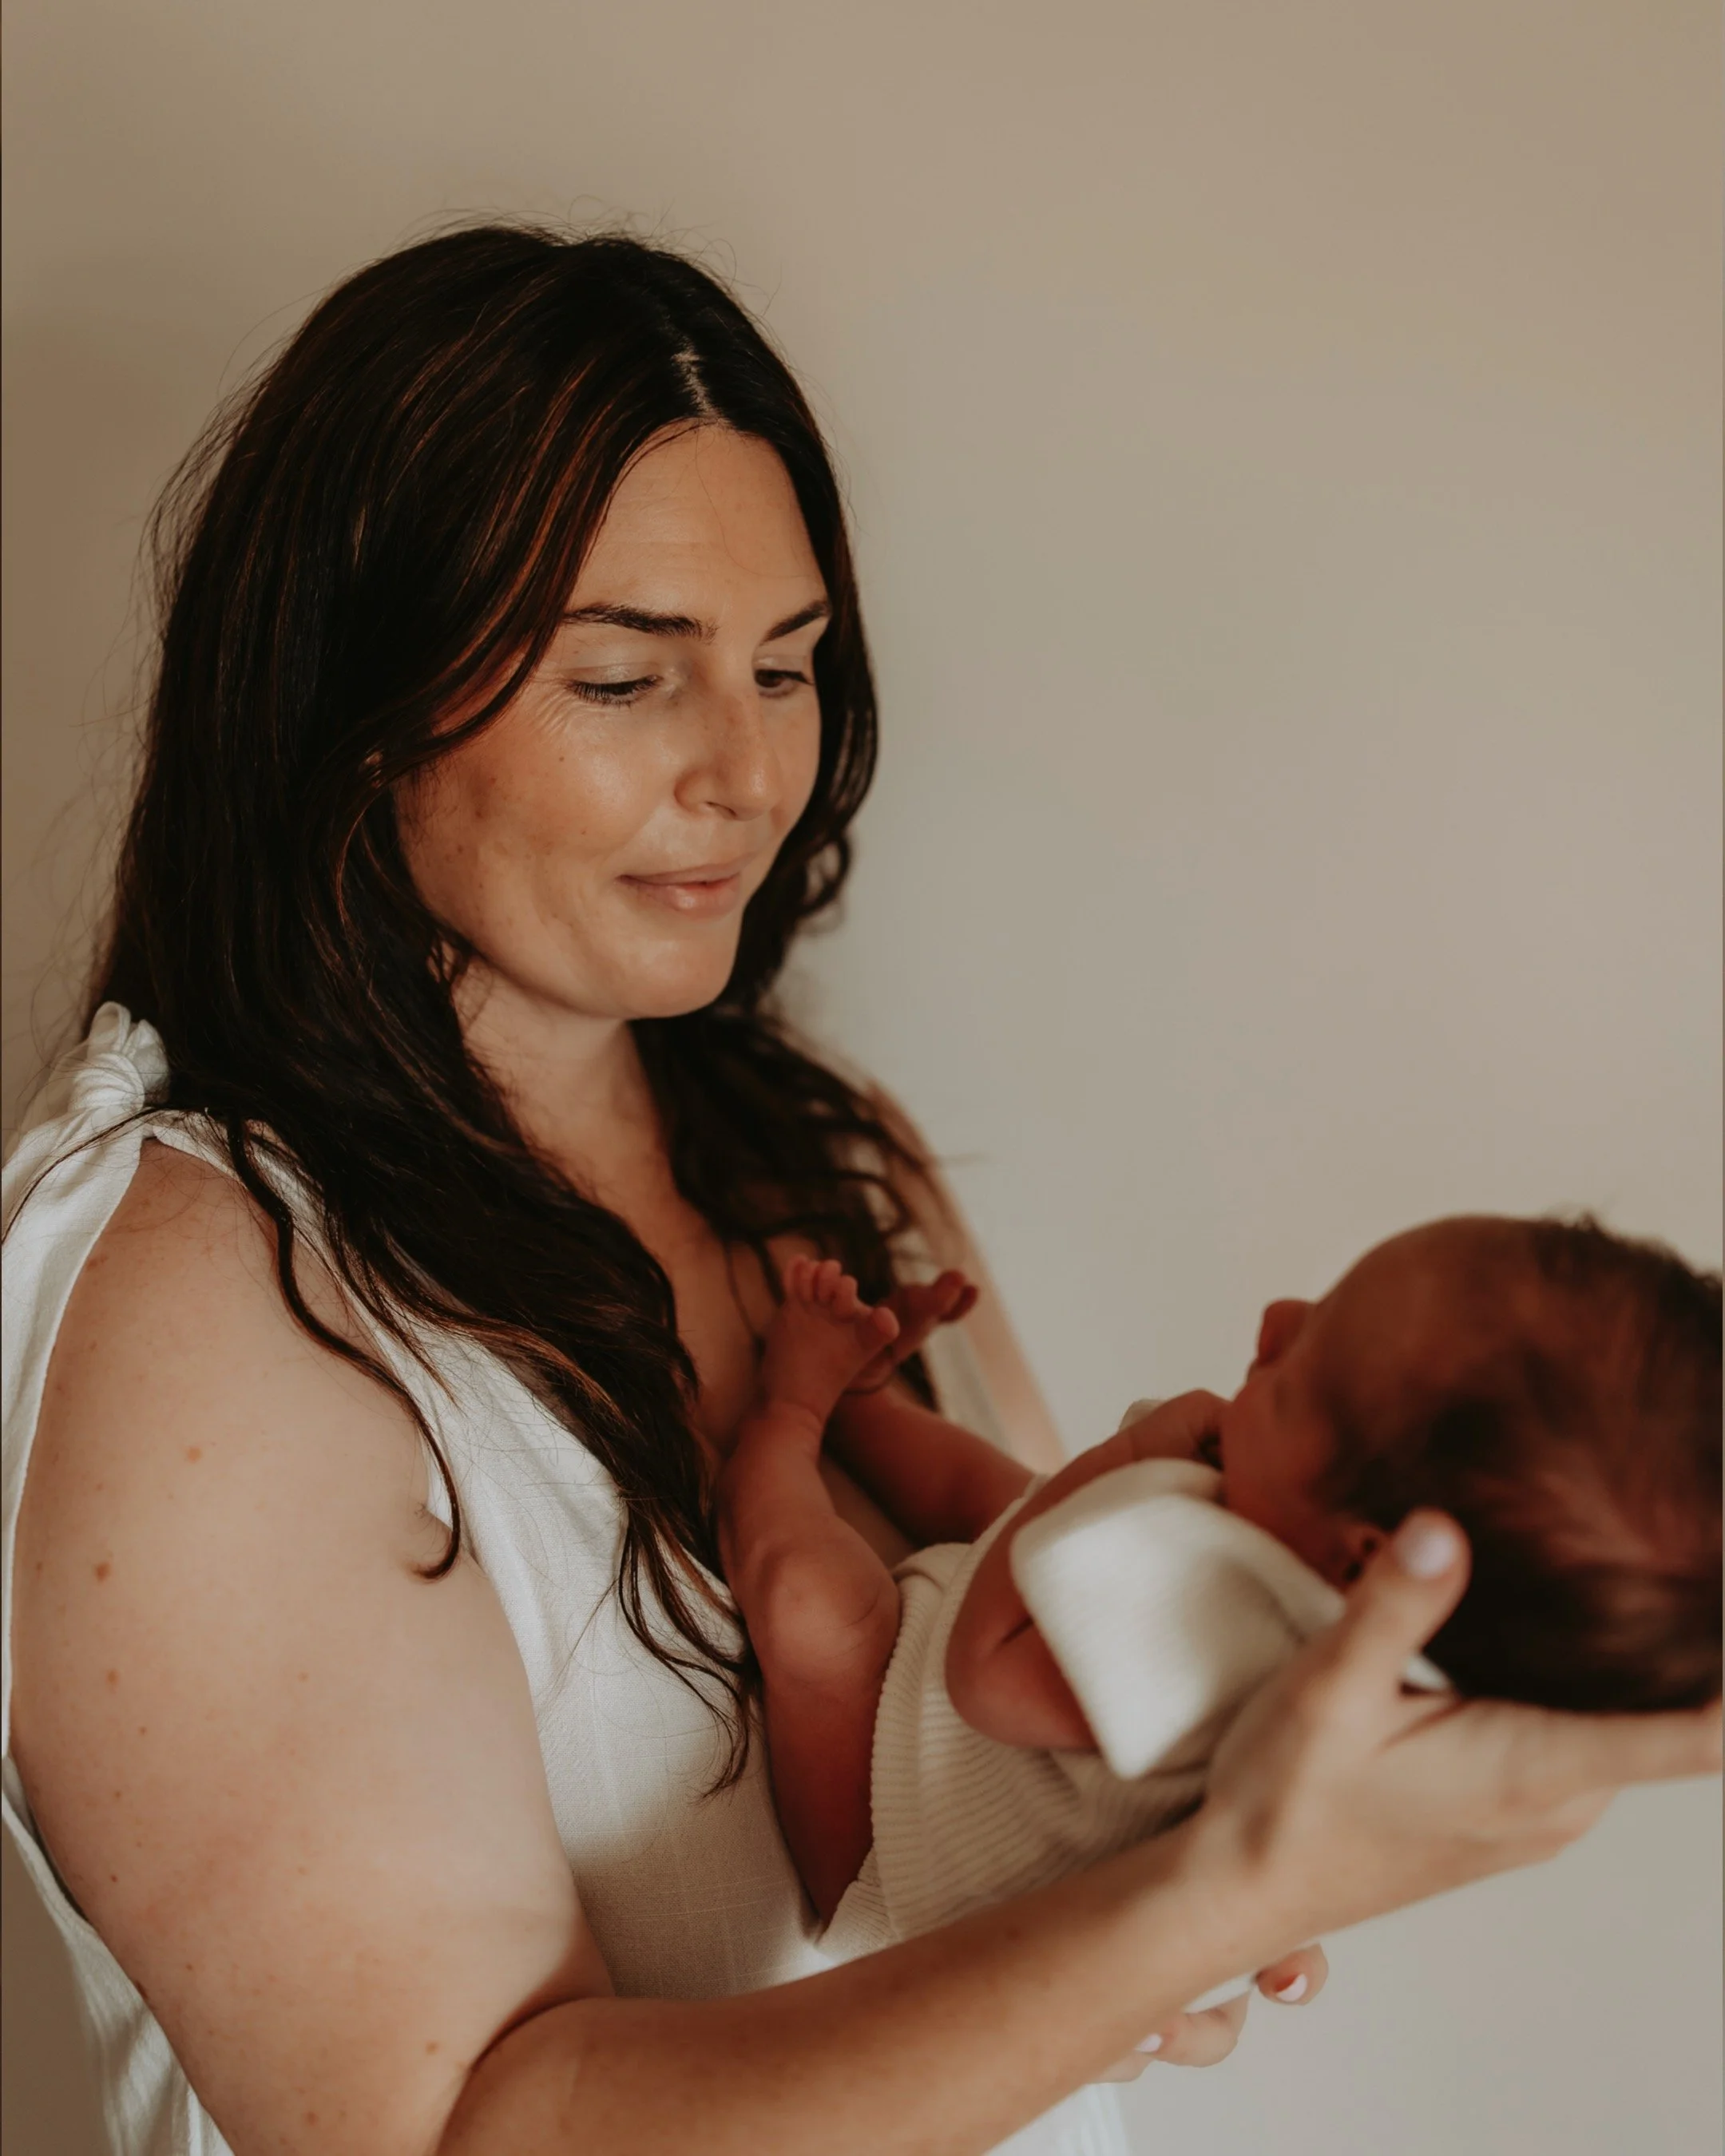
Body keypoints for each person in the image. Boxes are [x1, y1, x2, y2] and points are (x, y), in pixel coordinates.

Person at [2, 226, 1716, 2156]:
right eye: (627, 678)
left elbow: (1039, 1725)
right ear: (360, 698)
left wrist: (1137, 1912)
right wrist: (1216, 1890)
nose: (751, 774)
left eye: (788, 666)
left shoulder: (829, 1155)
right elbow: (458, 2132)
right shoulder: (202, 1292)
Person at [715, 1219, 1723, 1941]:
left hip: (889, 1864)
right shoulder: (1300, 1576)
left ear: (1362, 1560)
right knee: (1009, 1500)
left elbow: (987, 1677)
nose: (1276, 1318)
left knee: (817, 1612)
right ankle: (866, 1400)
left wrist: (1124, 1458)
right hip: (950, 1723)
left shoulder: (1240, 1652)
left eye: (1301, 1371)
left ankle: (788, 1413)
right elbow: (1022, 1544)